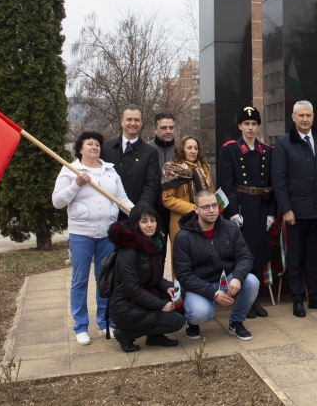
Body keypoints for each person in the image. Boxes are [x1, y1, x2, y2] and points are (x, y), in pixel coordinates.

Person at [52, 131, 133, 346]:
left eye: (97, 144)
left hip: (107, 234)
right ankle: (80, 326)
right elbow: (57, 202)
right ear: (80, 148)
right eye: (90, 144)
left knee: (105, 279)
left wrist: (138, 213)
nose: (94, 147)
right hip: (81, 234)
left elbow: (122, 198)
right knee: (80, 279)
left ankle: (104, 321)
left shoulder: (110, 171)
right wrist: (76, 184)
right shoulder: (70, 170)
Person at [272, 100, 317, 317]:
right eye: (301, 116)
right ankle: (298, 299)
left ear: (313, 116)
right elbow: (278, 180)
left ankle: (315, 298)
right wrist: (286, 209)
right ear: (293, 117)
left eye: (308, 115)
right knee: (296, 258)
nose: (305, 119)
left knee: (314, 257)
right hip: (295, 213)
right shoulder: (283, 143)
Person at [174, 190, 259, 341]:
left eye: (214, 205)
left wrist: (238, 278)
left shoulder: (230, 228)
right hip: (200, 285)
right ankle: (192, 323)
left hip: (227, 279)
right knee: (199, 314)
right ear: (196, 209)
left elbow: (245, 256)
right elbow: (183, 274)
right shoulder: (183, 237)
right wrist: (212, 293)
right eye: (206, 207)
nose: (212, 210)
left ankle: (236, 322)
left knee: (252, 281)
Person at [217, 106, 276, 319]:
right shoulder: (230, 149)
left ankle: (255, 299)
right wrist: (232, 211)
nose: (250, 128)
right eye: (246, 124)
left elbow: (271, 184)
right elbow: (225, 182)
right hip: (240, 206)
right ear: (239, 126)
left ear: (258, 126)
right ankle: (244, 301)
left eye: (254, 124)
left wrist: (271, 212)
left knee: (259, 254)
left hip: (260, 206)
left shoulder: (267, 151)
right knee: (243, 255)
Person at [107, 205, 184, 352]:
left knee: (180, 298)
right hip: (126, 306)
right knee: (176, 321)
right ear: (135, 223)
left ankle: (155, 336)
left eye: (153, 220)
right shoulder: (128, 250)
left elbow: (154, 277)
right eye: (144, 221)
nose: (150, 225)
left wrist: (168, 286)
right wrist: (161, 305)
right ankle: (126, 334)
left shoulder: (153, 242)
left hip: (144, 296)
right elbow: (132, 289)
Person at [101, 105, 160, 218]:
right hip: (107, 213)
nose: (133, 123)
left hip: (134, 216)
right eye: (129, 119)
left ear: (141, 123)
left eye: (137, 120)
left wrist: (140, 210)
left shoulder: (150, 153)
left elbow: (151, 184)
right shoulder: (106, 148)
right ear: (122, 122)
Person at [161, 135, 214, 258]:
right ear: (182, 150)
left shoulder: (204, 168)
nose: (193, 151)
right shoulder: (171, 169)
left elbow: (211, 190)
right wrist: (194, 208)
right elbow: (167, 199)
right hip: (181, 221)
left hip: (204, 221)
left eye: (196, 148)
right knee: (183, 259)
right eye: (189, 148)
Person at [150, 112, 177, 259]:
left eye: (171, 127)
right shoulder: (146, 150)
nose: (168, 131)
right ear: (155, 129)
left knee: (180, 255)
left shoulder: (182, 149)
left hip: (177, 211)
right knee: (156, 255)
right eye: (164, 127)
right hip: (155, 211)